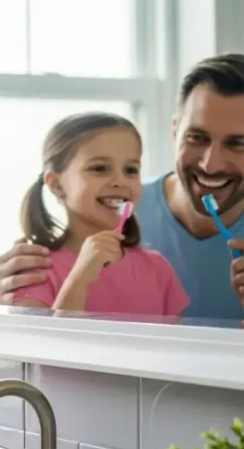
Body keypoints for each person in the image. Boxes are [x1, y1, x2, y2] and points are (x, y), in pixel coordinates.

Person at [0, 53, 244, 323]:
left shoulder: (155, 268)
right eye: (197, 137)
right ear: (175, 131)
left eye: (238, 143)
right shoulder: (111, 214)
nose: (211, 164)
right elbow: (27, 351)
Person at [10, 112, 188, 317]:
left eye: (131, 170)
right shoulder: (35, 272)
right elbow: (43, 346)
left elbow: (174, 347)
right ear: (56, 184)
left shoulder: (158, 269)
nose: (120, 181)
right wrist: (81, 277)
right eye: (99, 168)